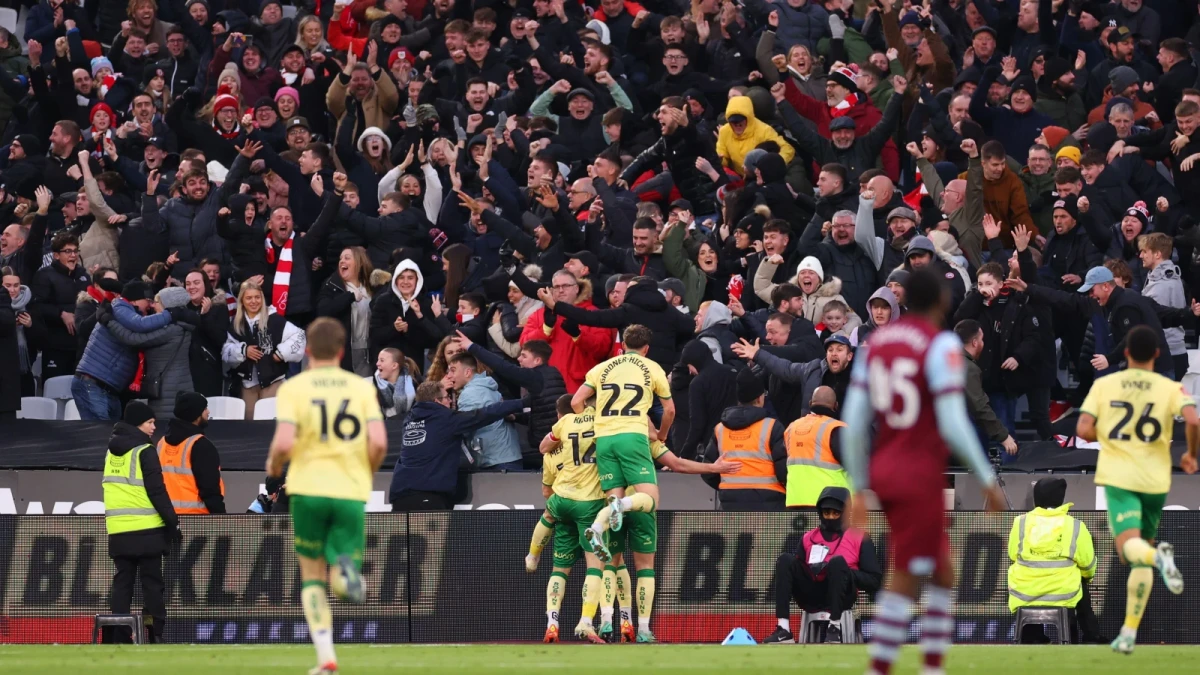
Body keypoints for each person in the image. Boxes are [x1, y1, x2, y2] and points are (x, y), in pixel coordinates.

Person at [840, 269, 1004, 675]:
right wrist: (986, 477)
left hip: (886, 467)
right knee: (910, 571)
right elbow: (951, 421)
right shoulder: (941, 344)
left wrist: (859, 488)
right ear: (944, 302)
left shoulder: (875, 343)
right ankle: (882, 666)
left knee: (941, 569)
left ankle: (931, 665)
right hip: (919, 471)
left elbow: (855, 421)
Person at [266, 318, 389, 675]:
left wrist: (274, 467)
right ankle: (347, 570)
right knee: (340, 563)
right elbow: (379, 441)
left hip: (307, 488)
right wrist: (366, 470)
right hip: (349, 488)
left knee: (311, 575)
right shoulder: (361, 387)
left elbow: (285, 443)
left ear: (306, 351)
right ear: (340, 351)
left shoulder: (294, 388)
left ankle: (326, 657)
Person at [1075, 325, 1196, 654]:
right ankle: (1128, 632)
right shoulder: (1170, 387)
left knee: (1129, 549)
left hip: (1120, 477)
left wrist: (1109, 437)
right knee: (1138, 555)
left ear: (1125, 353)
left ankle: (1159, 557)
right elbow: (1194, 420)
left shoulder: (1106, 384)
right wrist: (1190, 454)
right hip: (1156, 480)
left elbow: (1083, 428)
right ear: (1157, 354)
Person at [577, 324, 675, 642]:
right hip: (633, 437)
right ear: (646, 348)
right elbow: (670, 409)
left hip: (605, 441)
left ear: (622, 347)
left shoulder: (603, 367)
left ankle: (607, 622)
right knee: (650, 497)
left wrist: (599, 423)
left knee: (613, 556)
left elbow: (578, 402)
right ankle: (644, 630)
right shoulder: (652, 367)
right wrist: (660, 434)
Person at [761, 487, 883, 644]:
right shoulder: (808, 537)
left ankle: (835, 627)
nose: (831, 517)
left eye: (836, 513)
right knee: (785, 559)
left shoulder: (860, 537)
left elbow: (874, 581)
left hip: (842, 595)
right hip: (811, 594)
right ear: (820, 513)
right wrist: (814, 569)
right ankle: (783, 629)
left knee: (837, 562)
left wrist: (846, 572)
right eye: (826, 513)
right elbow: (797, 569)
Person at [102, 401, 179, 644]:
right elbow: (157, 491)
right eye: (150, 422)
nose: (154, 427)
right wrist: (172, 522)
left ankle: (119, 635)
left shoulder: (110, 452)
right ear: (138, 424)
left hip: (118, 530)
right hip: (147, 530)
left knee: (122, 584)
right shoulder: (145, 451)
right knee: (152, 586)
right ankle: (154, 634)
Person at [389, 380, 525, 510]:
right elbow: (485, 414)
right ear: (437, 401)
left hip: (400, 495)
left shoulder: (409, 420)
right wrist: (522, 403)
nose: (451, 401)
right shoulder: (446, 419)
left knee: (401, 535)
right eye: (447, 397)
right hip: (429, 495)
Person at [1007, 477, 1101, 644]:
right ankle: (1089, 637)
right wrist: (1086, 576)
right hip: (1063, 594)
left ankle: (1032, 638)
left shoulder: (1019, 523)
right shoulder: (1075, 525)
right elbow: (1088, 564)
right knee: (1080, 578)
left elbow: (1012, 554)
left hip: (1025, 593)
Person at [700, 367, 787, 511]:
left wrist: (729, 487)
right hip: (769, 502)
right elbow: (784, 471)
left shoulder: (720, 429)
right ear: (760, 398)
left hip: (730, 502)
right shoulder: (772, 427)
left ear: (739, 399)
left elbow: (708, 471)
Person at [222, 282, 307, 419]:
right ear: (242, 301)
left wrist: (281, 353)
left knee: (269, 424)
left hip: (272, 382)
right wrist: (243, 351)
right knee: (249, 426)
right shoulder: (237, 323)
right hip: (247, 385)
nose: (254, 301)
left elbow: (300, 336)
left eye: (257, 297)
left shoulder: (274, 319)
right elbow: (226, 351)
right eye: (249, 298)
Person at [448, 351, 522, 471]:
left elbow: (464, 425)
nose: (449, 375)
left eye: (453, 370)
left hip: (495, 459)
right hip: (507, 455)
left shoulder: (470, 393)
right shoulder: (486, 386)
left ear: (467, 372)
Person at [156, 391, 225, 515]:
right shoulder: (201, 445)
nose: (208, 412)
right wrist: (221, 517)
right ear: (196, 415)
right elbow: (210, 489)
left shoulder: (161, 443)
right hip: (197, 519)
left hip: (165, 517)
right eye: (205, 408)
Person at [782, 386, 849, 508]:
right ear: (836, 406)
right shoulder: (836, 429)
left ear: (810, 403)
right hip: (829, 505)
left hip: (794, 502)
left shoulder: (791, 428)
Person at [373, 347, 420, 420]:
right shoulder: (373, 385)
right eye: (378, 360)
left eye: (382, 360)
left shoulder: (415, 384)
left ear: (394, 365)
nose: (377, 363)